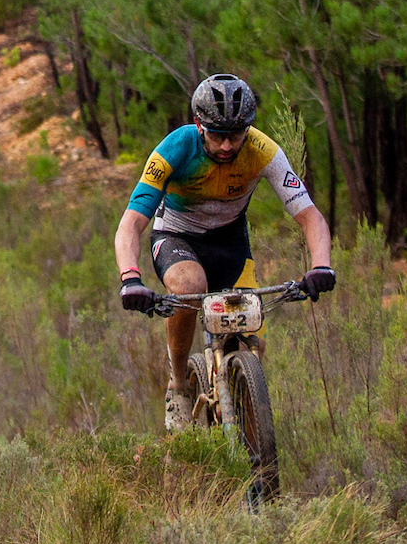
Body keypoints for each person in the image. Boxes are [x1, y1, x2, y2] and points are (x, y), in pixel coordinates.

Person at [113, 73, 335, 432]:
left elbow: (311, 217)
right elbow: (130, 224)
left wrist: (321, 266)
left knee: (250, 337)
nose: (228, 145)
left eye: (237, 134)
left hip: (230, 244)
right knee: (188, 287)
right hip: (176, 236)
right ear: (199, 126)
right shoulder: (174, 148)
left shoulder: (262, 150)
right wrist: (130, 279)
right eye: (218, 135)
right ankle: (179, 385)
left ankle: (248, 433)